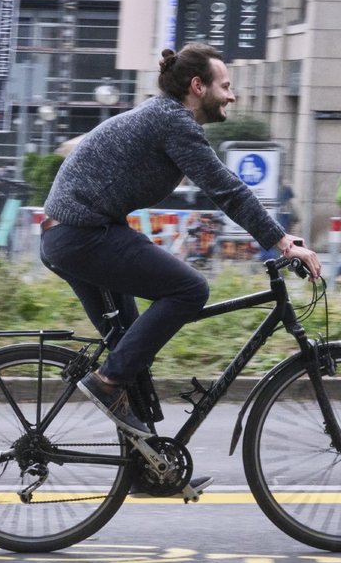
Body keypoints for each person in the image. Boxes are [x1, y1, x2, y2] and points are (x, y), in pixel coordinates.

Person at [40, 42, 321, 446]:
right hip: (81, 235)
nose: (232, 95)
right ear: (197, 86)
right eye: (225, 86)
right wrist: (281, 243)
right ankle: (106, 382)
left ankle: (149, 464)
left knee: (131, 349)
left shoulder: (165, 117)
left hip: (70, 233)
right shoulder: (174, 122)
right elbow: (228, 191)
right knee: (190, 289)